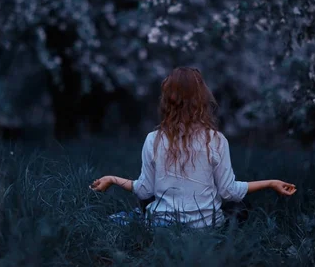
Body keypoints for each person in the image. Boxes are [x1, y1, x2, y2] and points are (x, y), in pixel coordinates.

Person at [90, 67, 297, 228]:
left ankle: (140, 220)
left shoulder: (153, 139)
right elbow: (229, 192)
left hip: (162, 226)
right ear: (202, 100)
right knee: (240, 208)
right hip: (206, 227)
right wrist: (270, 183)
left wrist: (112, 179)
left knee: (139, 209)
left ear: (167, 102)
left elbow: (144, 191)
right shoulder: (216, 140)